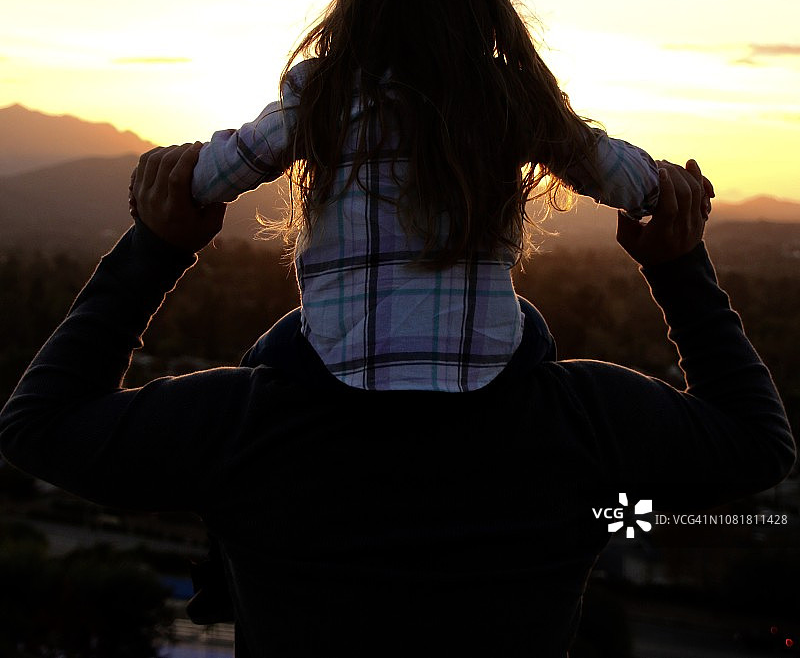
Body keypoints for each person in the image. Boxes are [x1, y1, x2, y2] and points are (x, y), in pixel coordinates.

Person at [0, 145, 793, 657]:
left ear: (317, 224)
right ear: (507, 223)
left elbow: (39, 423)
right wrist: (679, 268)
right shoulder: (582, 422)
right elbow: (759, 443)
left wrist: (157, 246)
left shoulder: (248, 424)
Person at [186, 0, 672, 392]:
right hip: (485, 372)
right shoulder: (507, 98)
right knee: (533, 328)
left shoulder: (322, 95)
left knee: (268, 353)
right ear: (484, 7)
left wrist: (172, 168)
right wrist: (664, 185)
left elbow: (213, 176)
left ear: (359, 7)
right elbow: (625, 178)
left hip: (340, 373)